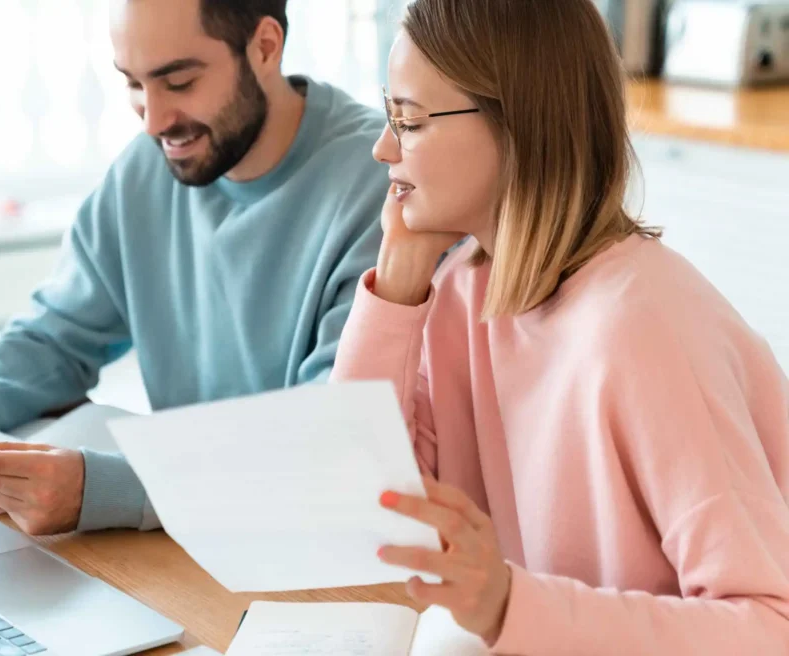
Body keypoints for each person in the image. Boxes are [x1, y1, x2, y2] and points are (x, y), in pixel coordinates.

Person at [331, 0, 789, 652]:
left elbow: (770, 628)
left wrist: (509, 606)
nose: (383, 148)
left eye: (408, 121)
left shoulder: (644, 330)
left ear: (516, 124)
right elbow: (363, 510)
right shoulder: (466, 292)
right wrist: (398, 282)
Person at [0, 0, 388, 537]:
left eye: (180, 82)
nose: (154, 121)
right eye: (134, 84)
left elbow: (326, 441)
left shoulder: (380, 184)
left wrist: (107, 489)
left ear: (264, 47)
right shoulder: (149, 167)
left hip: (310, 540)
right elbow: (59, 336)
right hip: (182, 538)